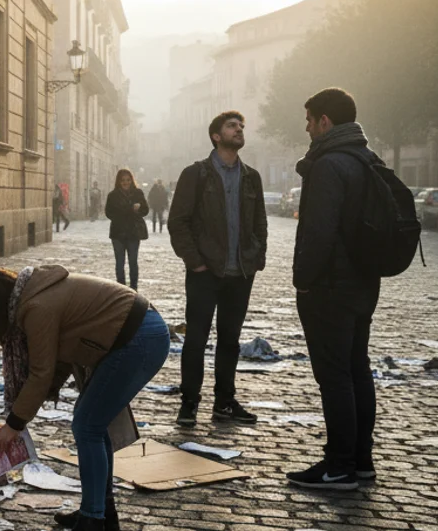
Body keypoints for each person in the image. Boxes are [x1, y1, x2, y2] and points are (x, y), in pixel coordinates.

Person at [0, 266, 168, 531]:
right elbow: (57, 359)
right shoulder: (33, 296)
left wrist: (14, 424)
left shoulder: (36, 307)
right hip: (136, 333)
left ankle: (93, 519)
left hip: (138, 338)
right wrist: (27, 409)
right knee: (94, 424)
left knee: (87, 425)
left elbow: (41, 372)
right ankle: (101, 511)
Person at [286, 88, 381, 491]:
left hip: (329, 286)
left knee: (335, 375)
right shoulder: (367, 159)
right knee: (357, 370)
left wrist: (302, 281)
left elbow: (320, 233)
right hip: (363, 281)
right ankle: (361, 460)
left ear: (324, 121)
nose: (307, 128)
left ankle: (338, 465)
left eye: (309, 120)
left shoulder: (328, 165)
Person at [167, 110, 268, 427]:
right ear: (216, 135)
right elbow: (177, 222)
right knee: (196, 339)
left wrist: (256, 256)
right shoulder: (196, 174)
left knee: (230, 340)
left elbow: (259, 222)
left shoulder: (251, 176)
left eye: (241, 126)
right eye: (232, 126)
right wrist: (194, 261)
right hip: (205, 272)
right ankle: (189, 403)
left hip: (240, 272)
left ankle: (224, 402)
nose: (239, 130)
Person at [105, 169, 149, 290]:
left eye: (128, 180)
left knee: (133, 262)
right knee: (119, 263)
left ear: (132, 180)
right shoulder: (112, 195)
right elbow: (109, 213)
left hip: (133, 232)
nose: (126, 182)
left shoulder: (138, 193)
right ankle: (121, 289)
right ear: (119, 181)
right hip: (118, 233)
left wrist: (138, 209)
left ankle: (134, 288)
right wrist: (129, 210)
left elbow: (145, 210)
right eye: (123, 180)